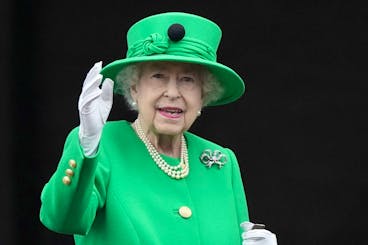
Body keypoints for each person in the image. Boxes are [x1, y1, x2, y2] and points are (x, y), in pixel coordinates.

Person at [39, 12, 278, 245]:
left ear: (203, 95)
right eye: (158, 76)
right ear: (134, 88)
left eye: (188, 80)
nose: (173, 93)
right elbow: (62, 219)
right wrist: (88, 145)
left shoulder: (221, 163)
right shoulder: (103, 146)